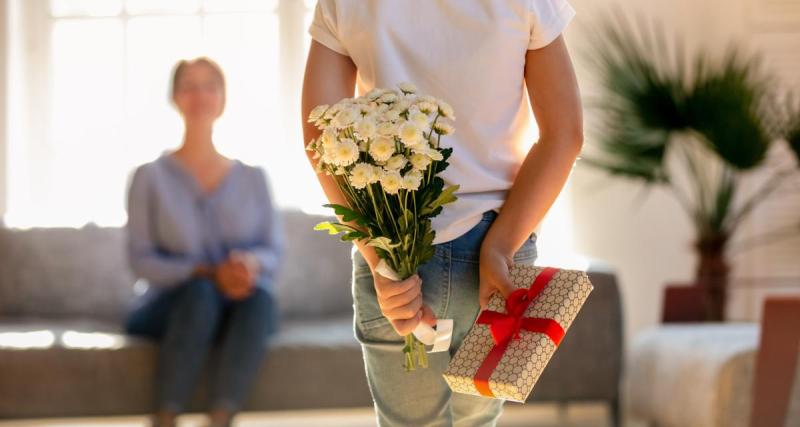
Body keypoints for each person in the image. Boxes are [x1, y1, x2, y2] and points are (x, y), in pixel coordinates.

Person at [301, 1, 583, 426]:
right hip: (496, 259)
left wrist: (381, 261)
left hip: (399, 253)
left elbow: (320, 139)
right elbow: (565, 134)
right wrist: (500, 248)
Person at [124, 57, 284, 427]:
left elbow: (273, 252)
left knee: (261, 295)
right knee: (200, 293)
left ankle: (221, 418)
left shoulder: (253, 177)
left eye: (210, 85)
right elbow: (140, 261)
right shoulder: (149, 177)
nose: (200, 95)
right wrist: (209, 273)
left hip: (239, 305)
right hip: (166, 307)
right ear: (175, 98)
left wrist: (247, 265)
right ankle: (165, 417)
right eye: (189, 86)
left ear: (223, 98)